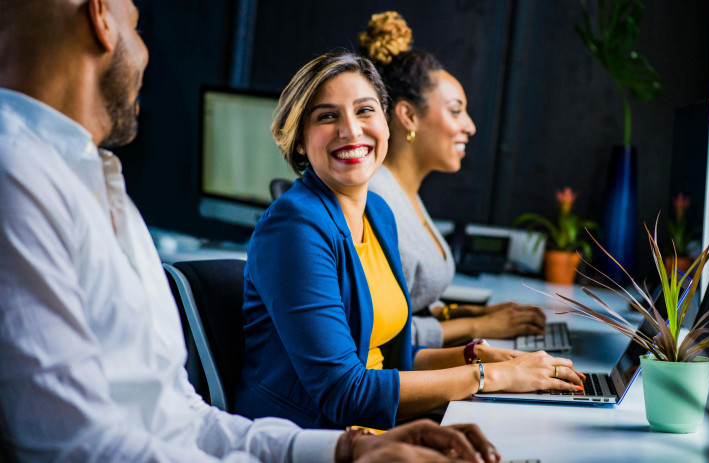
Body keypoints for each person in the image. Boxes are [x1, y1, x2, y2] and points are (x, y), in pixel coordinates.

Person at [0, 1, 502, 462]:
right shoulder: (18, 178)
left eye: (365, 110)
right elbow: (78, 446)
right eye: (136, 24)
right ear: (101, 17)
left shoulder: (100, 185)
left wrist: (346, 452)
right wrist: (483, 375)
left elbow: (180, 416)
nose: (148, 52)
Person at [235, 50, 584, 432]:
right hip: (309, 438)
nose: (351, 130)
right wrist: (490, 377)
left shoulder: (379, 214)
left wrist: (477, 356)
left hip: (377, 430)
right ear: (300, 140)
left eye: (365, 111)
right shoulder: (294, 227)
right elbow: (344, 392)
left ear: (386, 123)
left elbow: (390, 360)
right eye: (327, 116)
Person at [362, 11, 547, 349]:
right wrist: (479, 326)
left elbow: (411, 305)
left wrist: (472, 314)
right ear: (408, 115)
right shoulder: (377, 200)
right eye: (455, 110)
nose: (470, 126)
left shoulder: (405, 193)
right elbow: (381, 336)